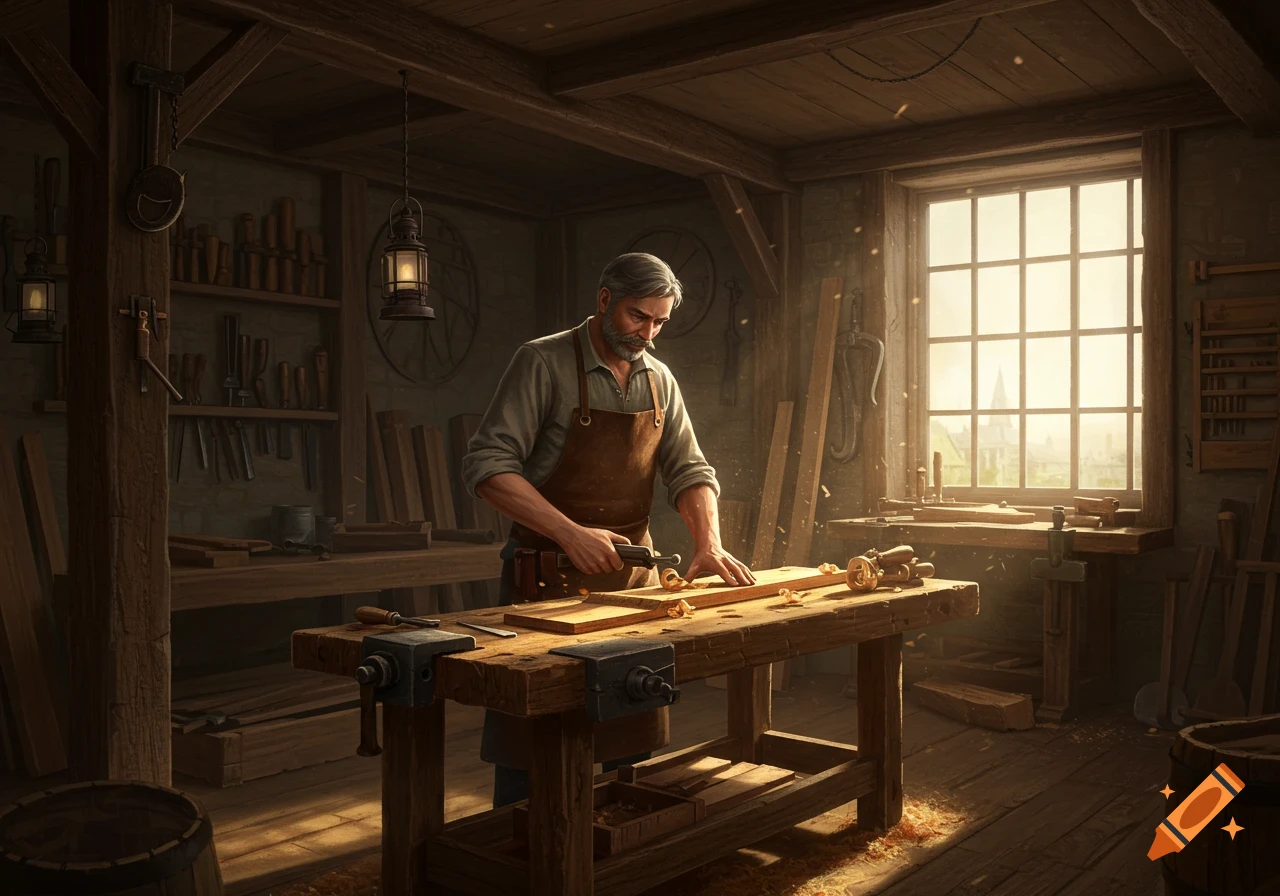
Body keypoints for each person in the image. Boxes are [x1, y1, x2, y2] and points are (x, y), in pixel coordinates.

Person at [461, 251, 755, 807]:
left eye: (659, 322)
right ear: (603, 301)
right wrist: (571, 533)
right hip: (544, 586)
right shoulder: (542, 362)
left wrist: (708, 543)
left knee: (628, 743)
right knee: (535, 746)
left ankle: (620, 858)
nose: (648, 333)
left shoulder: (659, 379)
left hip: (630, 592)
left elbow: (691, 470)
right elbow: (488, 468)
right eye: (636, 317)